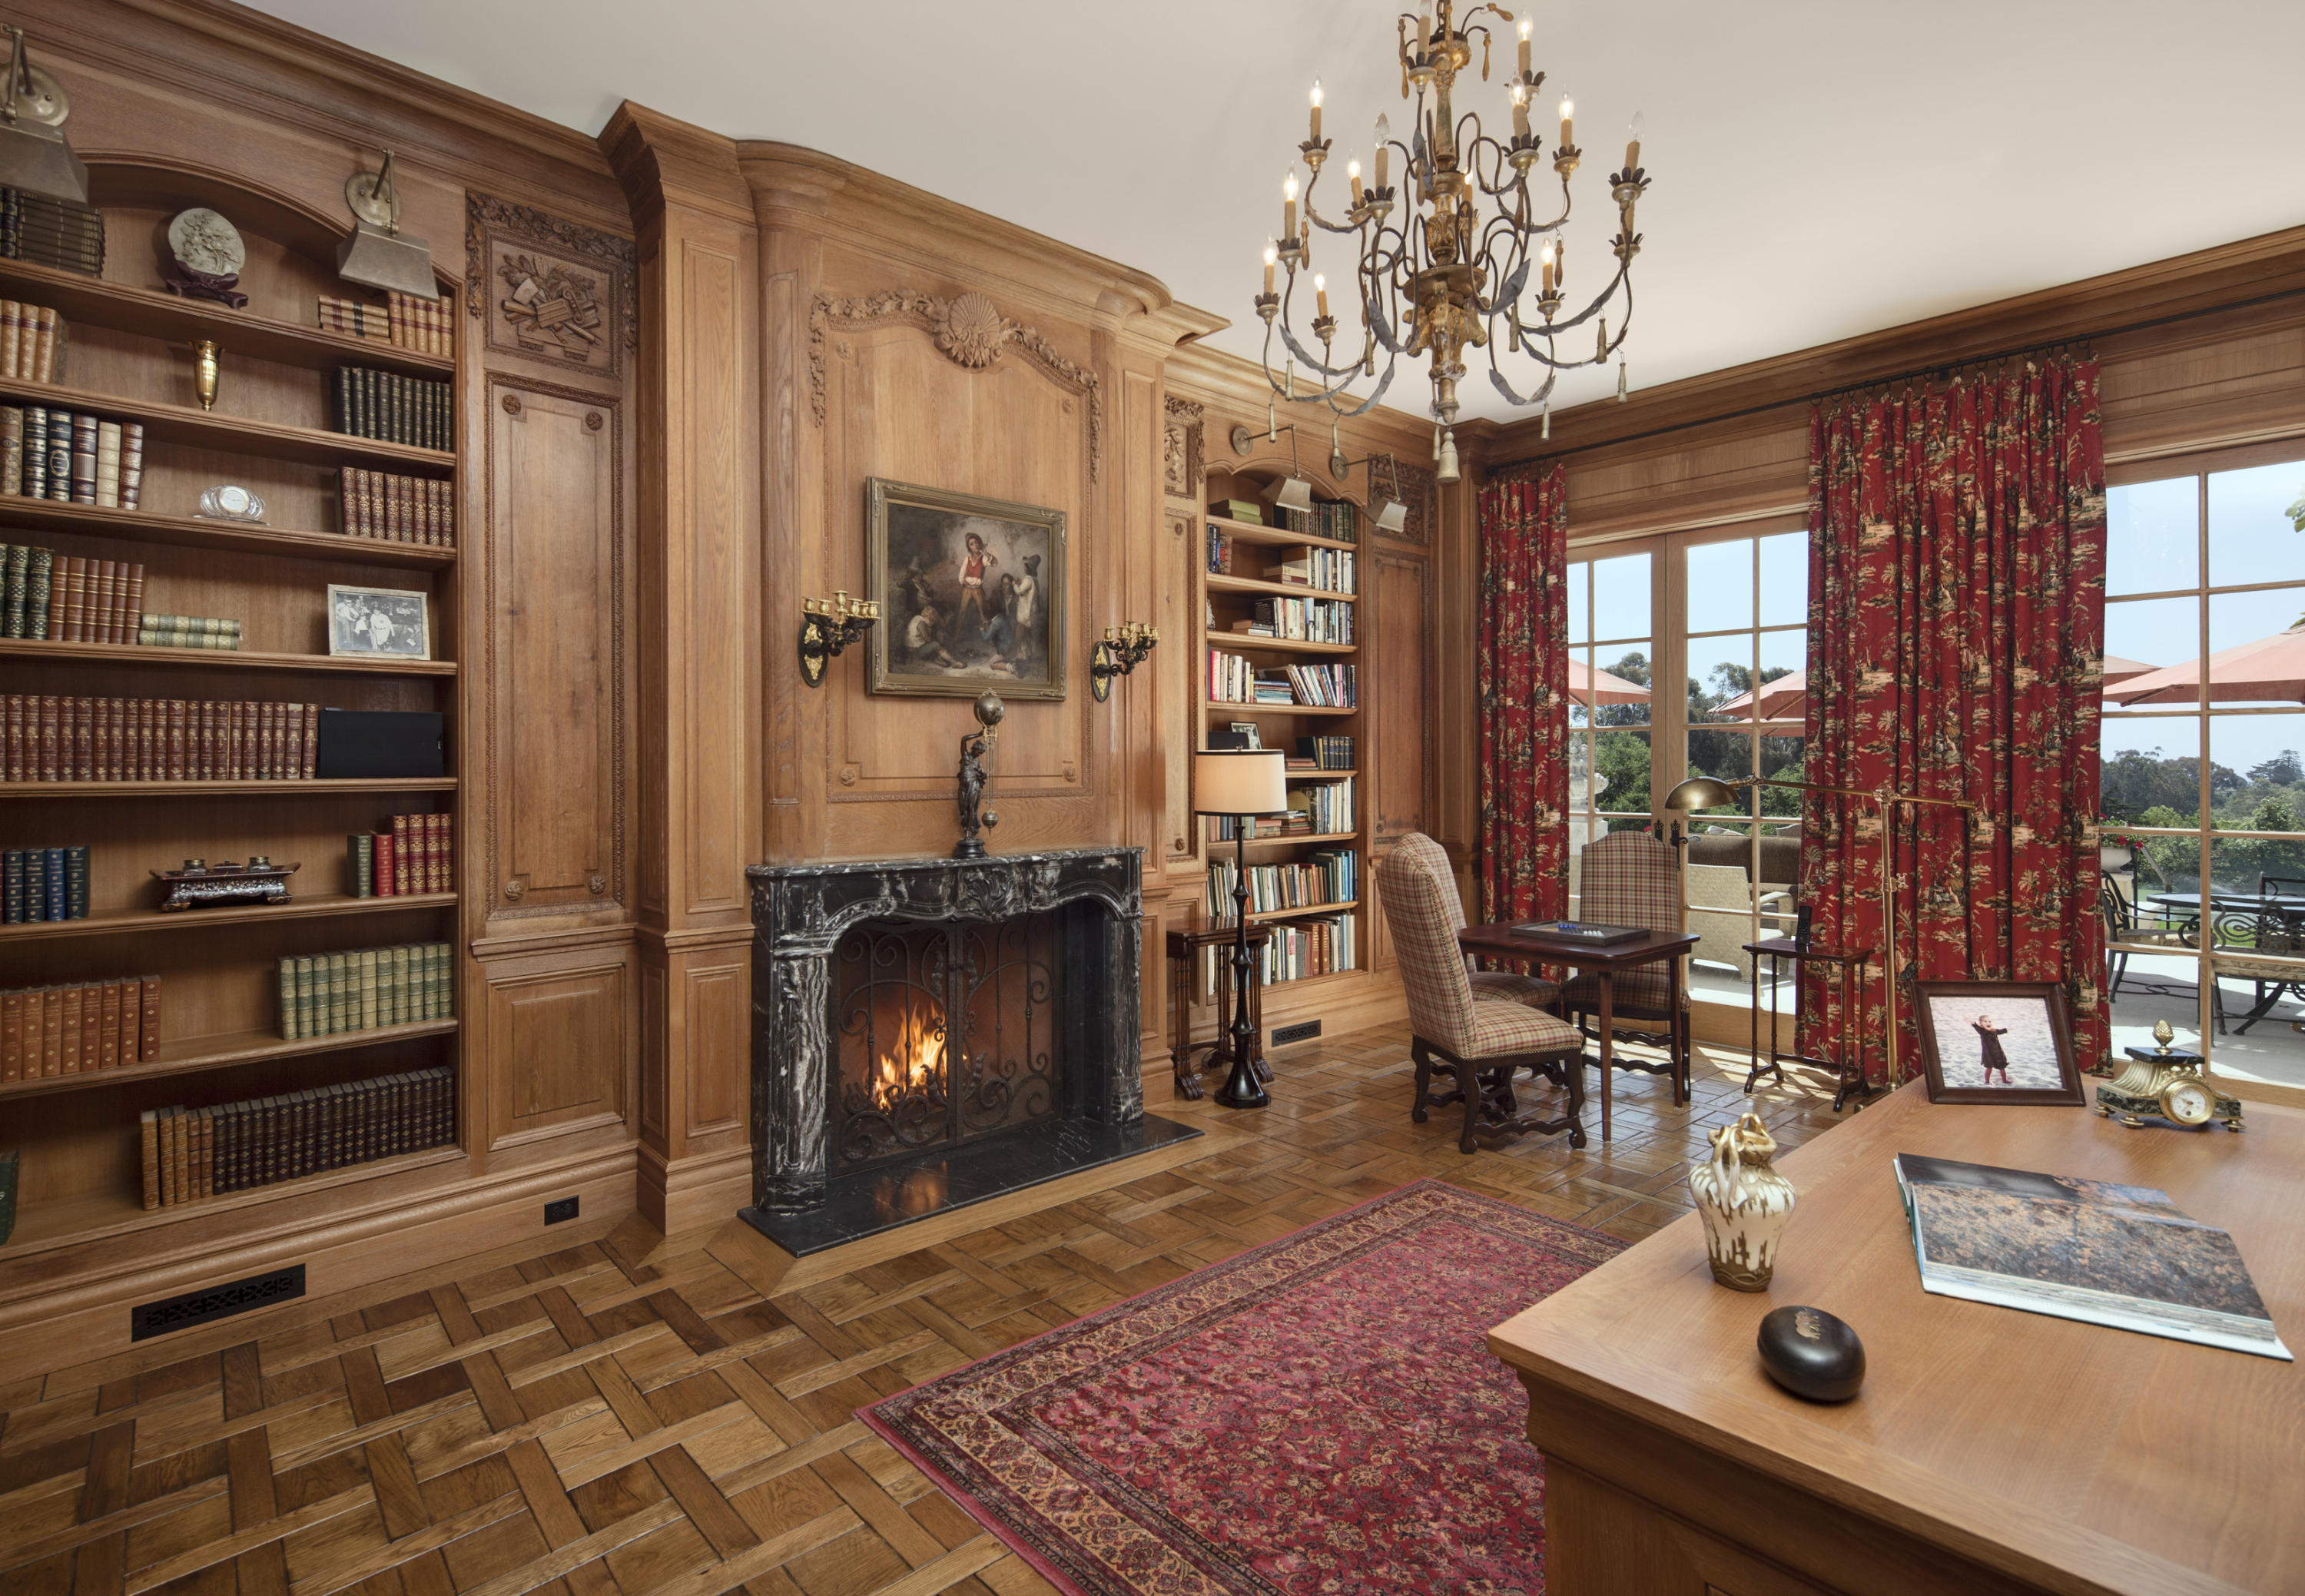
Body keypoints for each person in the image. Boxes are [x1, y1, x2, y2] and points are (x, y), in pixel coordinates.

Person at [956, 531, 998, 632]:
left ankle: (987, 635)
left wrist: (985, 552)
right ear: (969, 547)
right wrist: (963, 582)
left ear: (979, 543)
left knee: (982, 613)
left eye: (976, 542)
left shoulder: (983, 559)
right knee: (962, 612)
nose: (975, 545)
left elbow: (995, 563)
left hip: (977, 589)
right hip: (967, 589)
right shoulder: (967, 559)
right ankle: (957, 635)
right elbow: (961, 576)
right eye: (972, 544)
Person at [980, 573, 1020, 669]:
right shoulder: (998, 594)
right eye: (1003, 584)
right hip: (1002, 621)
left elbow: (1015, 613)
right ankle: (1006, 654)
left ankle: (1008, 657)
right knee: (997, 632)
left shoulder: (1014, 597)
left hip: (1011, 621)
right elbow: (993, 607)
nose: (1004, 586)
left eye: (1007, 584)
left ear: (1011, 585)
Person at [906, 602, 960, 669]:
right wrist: (932, 636)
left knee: (934, 647)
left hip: (912, 650)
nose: (931, 625)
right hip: (916, 651)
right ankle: (954, 662)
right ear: (928, 618)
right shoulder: (922, 623)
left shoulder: (917, 618)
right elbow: (927, 639)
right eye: (932, 622)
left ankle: (938, 659)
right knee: (936, 645)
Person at [1971, 1014, 2011, 1085]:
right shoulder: (1982, 1031)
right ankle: (1987, 1081)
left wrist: (2007, 1029)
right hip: (1988, 1054)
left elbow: (2000, 1031)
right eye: (1985, 1021)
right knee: (1989, 1068)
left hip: (1998, 1053)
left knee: (2002, 1067)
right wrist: (1973, 1023)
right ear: (1981, 1023)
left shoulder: (1993, 1030)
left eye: (1989, 1021)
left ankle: (2005, 1080)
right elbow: (1976, 1027)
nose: (1988, 1023)